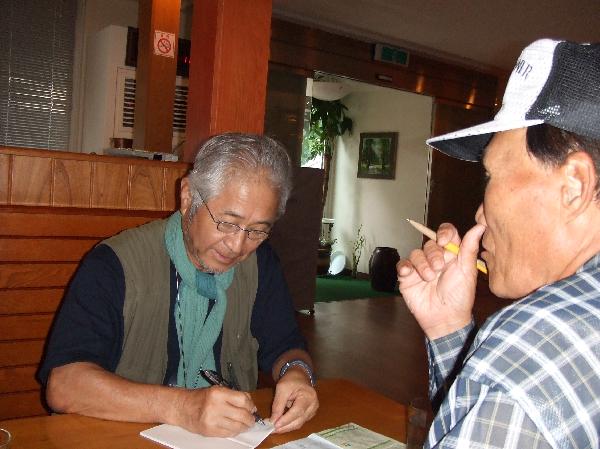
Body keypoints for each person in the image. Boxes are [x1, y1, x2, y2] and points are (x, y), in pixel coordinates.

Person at [39, 133, 319, 437]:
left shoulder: (260, 264)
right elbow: (64, 385)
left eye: (257, 231)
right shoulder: (114, 265)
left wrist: (298, 376)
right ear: (188, 198)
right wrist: (182, 407)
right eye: (226, 222)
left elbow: (286, 344)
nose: (238, 245)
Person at [397, 39, 600, 449]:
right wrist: (448, 329)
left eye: (490, 175)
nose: (479, 215)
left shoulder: (539, 339)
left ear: (574, 185)